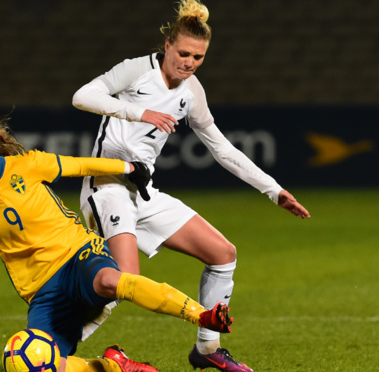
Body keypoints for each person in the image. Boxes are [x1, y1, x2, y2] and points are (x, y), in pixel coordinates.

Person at [0, 114, 235, 372]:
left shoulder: (27, 165)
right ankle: (111, 365)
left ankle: (200, 315)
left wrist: (127, 169)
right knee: (32, 365)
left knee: (112, 281)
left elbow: (78, 165)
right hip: (41, 291)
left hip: (78, 255)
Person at [72, 0, 311, 371]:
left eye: (198, 57)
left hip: (143, 191)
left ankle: (207, 348)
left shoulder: (191, 91)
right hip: (108, 185)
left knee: (223, 253)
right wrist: (139, 112)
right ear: (167, 45)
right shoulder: (137, 70)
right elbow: (82, 96)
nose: (189, 62)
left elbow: (221, 148)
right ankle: (53, 347)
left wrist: (273, 190)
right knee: (126, 279)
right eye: (183, 53)